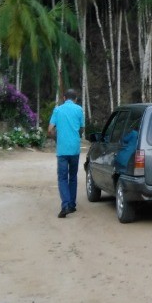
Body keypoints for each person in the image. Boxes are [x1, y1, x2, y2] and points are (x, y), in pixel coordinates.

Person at [48, 89, 85, 218]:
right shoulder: (79, 110)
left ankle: (65, 205)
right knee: (73, 176)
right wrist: (76, 137)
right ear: (75, 99)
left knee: (62, 178)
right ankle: (72, 205)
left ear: (64, 98)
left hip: (62, 150)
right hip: (74, 149)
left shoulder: (58, 110)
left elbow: (50, 130)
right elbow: (81, 129)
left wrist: (57, 139)